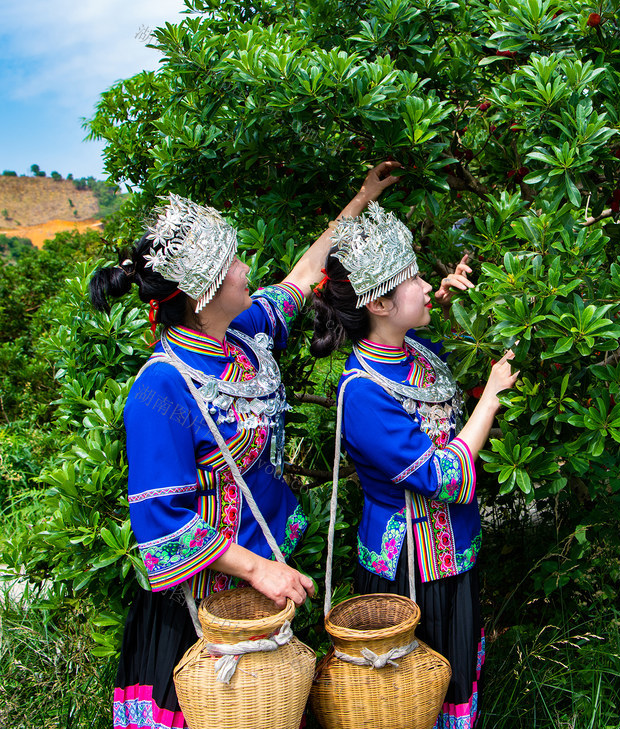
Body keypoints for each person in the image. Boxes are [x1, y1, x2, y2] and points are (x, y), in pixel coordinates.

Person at [90, 162, 400, 729]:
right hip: (204, 614)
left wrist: (359, 199)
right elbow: (161, 524)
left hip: (265, 591)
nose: (246, 268)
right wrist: (259, 571)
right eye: (233, 263)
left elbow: (304, 276)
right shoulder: (160, 388)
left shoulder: (246, 337)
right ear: (201, 293)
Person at [310, 201, 518, 729]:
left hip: (455, 553)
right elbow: (443, 476)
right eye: (415, 281)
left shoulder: (416, 352)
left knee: (451, 684)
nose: (428, 285)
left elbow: (448, 356)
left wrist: (443, 304)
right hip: (408, 570)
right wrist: (491, 396)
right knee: (403, 699)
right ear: (378, 303)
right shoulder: (362, 393)